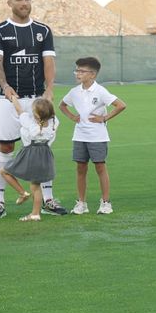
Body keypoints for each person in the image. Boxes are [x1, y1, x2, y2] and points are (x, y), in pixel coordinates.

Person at [0, 0, 66, 218]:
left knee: (41, 149)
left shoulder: (43, 30)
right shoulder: (0, 31)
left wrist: (50, 88)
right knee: (6, 147)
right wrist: (6, 87)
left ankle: (48, 200)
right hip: (8, 99)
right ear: (9, 3)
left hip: (37, 99)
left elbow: (48, 62)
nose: (24, 3)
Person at [59, 56, 125, 214]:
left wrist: (104, 118)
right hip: (80, 136)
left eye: (81, 71)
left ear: (92, 74)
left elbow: (121, 105)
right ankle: (81, 203)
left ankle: (106, 202)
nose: (77, 74)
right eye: (77, 70)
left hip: (97, 136)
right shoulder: (74, 92)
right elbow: (62, 105)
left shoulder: (100, 91)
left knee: (100, 167)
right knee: (80, 168)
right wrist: (72, 117)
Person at [3, 98, 58, 223]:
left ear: (37, 115)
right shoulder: (54, 122)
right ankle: (34, 211)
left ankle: (26, 198)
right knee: (36, 186)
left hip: (30, 154)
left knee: (4, 171)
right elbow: (48, 111)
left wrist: (13, 98)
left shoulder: (30, 124)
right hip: (45, 155)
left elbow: (19, 110)